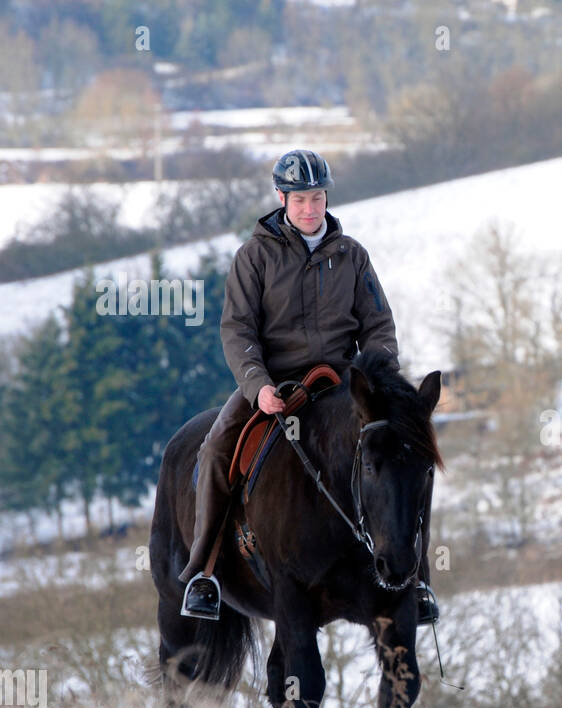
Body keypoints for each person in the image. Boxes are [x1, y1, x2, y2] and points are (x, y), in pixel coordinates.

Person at [179, 148, 439, 625]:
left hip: (344, 387)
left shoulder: (352, 255)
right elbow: (238, 331)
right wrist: (258, 387)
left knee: (408, 457)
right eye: (299, 199)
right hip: (274, 387)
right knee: (216, 449)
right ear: (282, 198)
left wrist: (377, 379)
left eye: (317, 197)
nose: (309, 207)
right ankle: (204, 573)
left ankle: (419, 580)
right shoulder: (254, 257)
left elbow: (378, 327)